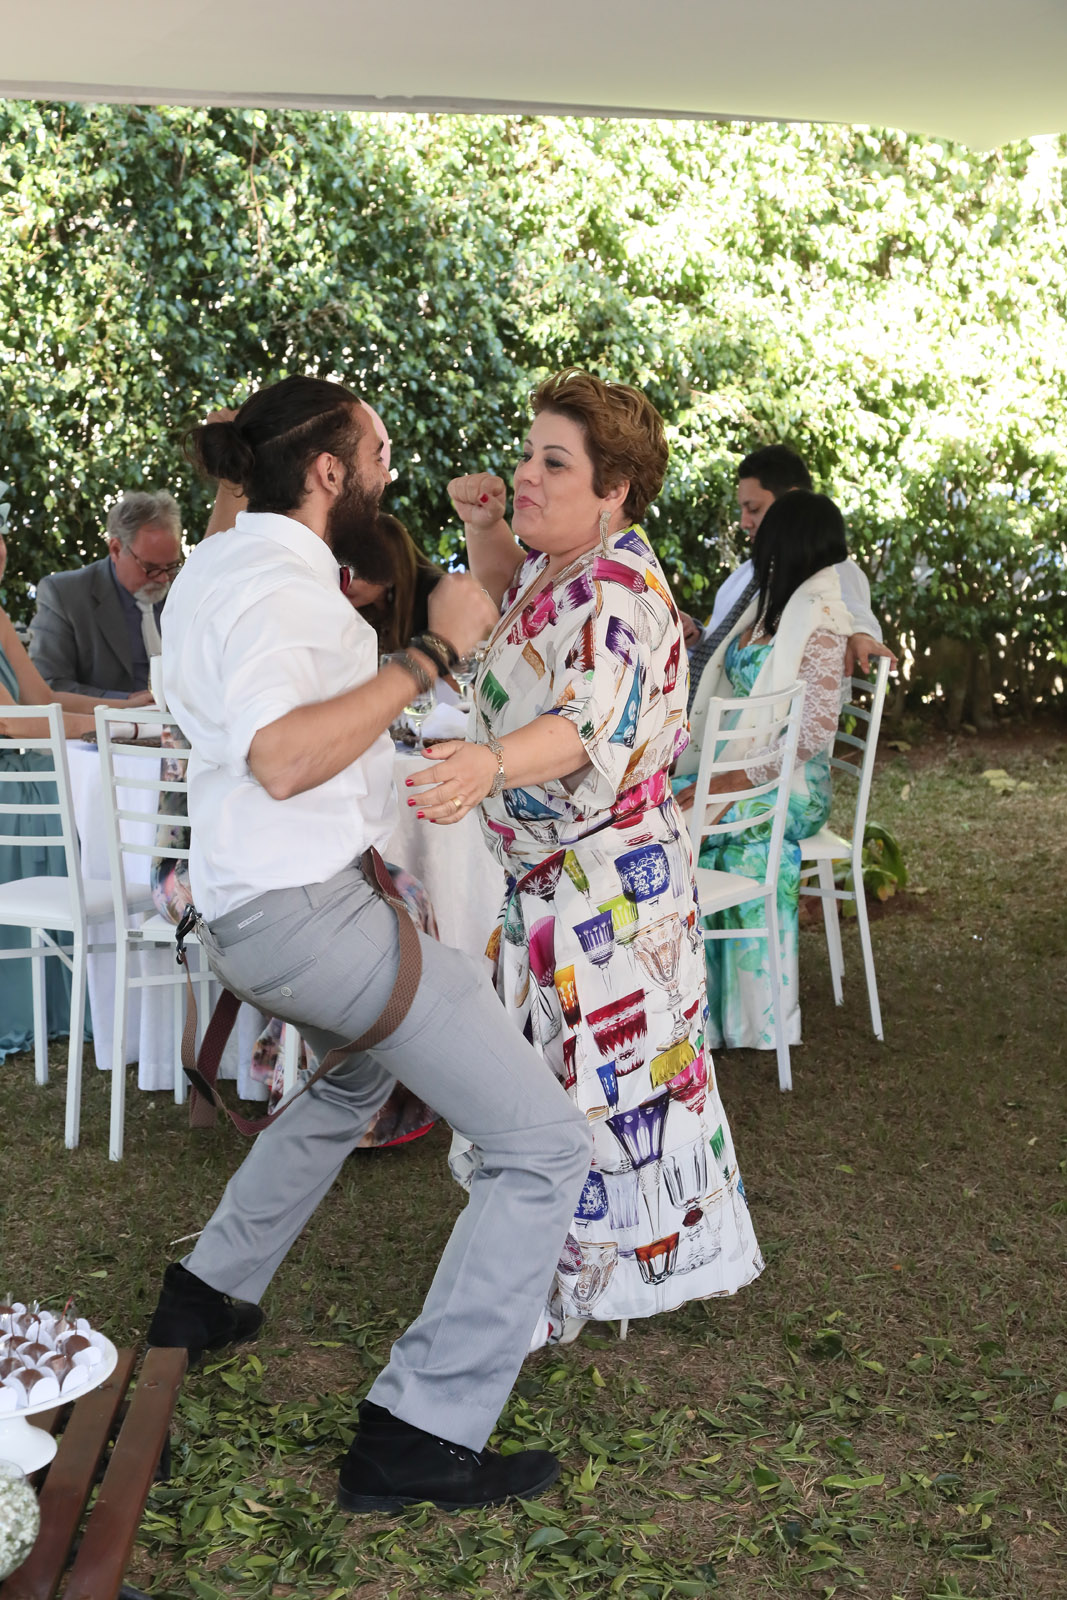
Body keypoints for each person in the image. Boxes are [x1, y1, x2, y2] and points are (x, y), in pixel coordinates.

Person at [144, 374, 592, 1514]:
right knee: (544, 1145)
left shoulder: (220, 565)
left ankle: (206, 1292)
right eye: (379, 455)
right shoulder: (281, 591)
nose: (390, 475)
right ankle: (416, 1431)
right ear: (328, 471)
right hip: (306, 920)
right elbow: (281, 756)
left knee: (353, 1079)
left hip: (251, 917)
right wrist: (429, 657)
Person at [408, 369, 762, 1344]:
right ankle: (564, 1280)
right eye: (527, 453)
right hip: (562, 888)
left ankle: (558, 1288)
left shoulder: (615, 594)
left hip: (603, 897)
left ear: (614, 489)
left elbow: (581, 725)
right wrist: (488, 525)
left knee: (580, 1098)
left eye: (552, 463)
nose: (526, 472)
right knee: (567, 1093)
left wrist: (487, 763)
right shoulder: (562, 563)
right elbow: (514, 617)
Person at [676, 490, 853, 1051]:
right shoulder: (772, 603)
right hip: (740, 769)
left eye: (767, 531)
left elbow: (813, 734)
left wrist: (728, 783)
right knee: (664, 806)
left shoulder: (821, 620)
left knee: (681, 823)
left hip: (794, 787)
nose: (756, 540)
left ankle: (702, 1012)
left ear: (789, 542)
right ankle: (708, 1017)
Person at [0, 511, 150, 1061]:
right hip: (8, 783)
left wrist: (125, 708)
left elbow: (41, 698)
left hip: (25, 771)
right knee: (78, 801)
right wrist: (109, 727)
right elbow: (12, 722)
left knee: (80, 796)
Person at [679, 445, 890, 696]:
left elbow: (853, 614)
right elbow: (724, 644)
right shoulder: (745, 574)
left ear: (792, 501)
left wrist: (860, 635)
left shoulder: (828, 568)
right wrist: (696, 635)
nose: (744, 522)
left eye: (753, 509)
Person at [29, 491, 183, 697]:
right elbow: (49, 685)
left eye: (171, 566)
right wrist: (126, 702)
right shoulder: (66, 595)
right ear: (116, 550)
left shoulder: (183, 593)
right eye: (151, 568)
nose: (163, 579)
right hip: (105, 717)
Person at [341, 513, 444, 654]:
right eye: (341, 569)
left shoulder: (435, 598)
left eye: (359, 572)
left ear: (392, 571)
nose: (346, 581)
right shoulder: (361, 612)